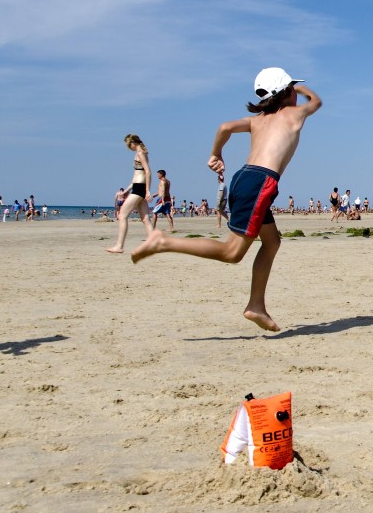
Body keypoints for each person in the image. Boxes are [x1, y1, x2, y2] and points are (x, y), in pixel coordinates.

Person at [131, 68, 321, 332]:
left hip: (244, 177)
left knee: (272, 241)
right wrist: (299, 88)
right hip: (261, 182)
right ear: (287, 91)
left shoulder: (258, 119)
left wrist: (215, 153)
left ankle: (256, 305)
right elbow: (317, 102)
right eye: (292, 89)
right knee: (232, 253)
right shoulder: (293, 114)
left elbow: (225, 127)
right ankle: (162, 241)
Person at [106, 134, 155, 253]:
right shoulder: (141, 152)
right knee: (145, 218)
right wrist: (126, 191)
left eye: (129, 145)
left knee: (122, 215)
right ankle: (155, 243)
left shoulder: (140, 153)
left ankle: (119, 246)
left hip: (140, 188)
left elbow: (148, 172)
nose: (129, 147)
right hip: (138, 187)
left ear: (133, 142)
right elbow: (137, 176)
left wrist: (148, 191)